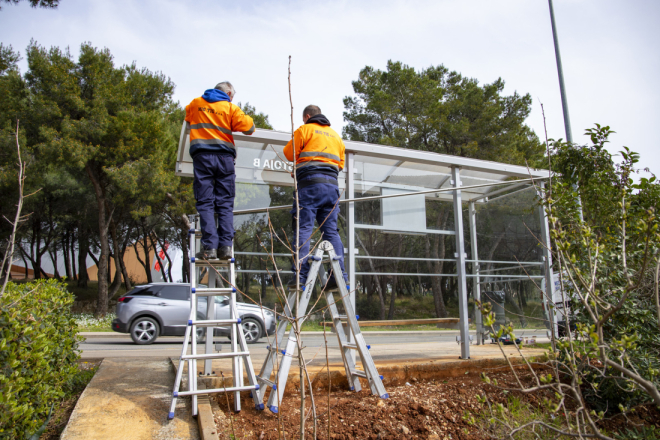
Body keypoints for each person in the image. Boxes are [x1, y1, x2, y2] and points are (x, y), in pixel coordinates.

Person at [185, 82, 255, 260]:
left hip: (202, 159)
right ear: (229, 93)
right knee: (224, 203)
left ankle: (209, 249)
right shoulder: (230, 107)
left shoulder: (195, 103)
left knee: (205, 202)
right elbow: (250, 128)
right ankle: (225, 247)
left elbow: (188, 121)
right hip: (225, 159)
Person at [283, 105, 348, 289]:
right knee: (331, 232)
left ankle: (300, 276)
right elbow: (340, 164)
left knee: (303, 229)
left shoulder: (305, 129)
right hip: (332, 188)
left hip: (310, 187)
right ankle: (339, 275)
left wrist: (302, 167)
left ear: (307, 116)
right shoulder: (336, 136)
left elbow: (288, 154)